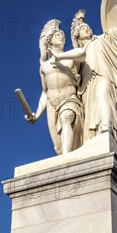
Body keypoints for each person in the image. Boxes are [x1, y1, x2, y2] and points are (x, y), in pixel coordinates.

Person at [49, 0, 117, 176]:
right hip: (86, 91)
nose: (87, 28)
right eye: (82, 29)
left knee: (103, 97)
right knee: (89, 124)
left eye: (87, 27)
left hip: (105, 80)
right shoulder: (78, 62)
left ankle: (106, 132)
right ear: (76, 37)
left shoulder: (104, 39)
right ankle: (96, 139)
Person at [27, 20, 83, 155]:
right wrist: (37, 115)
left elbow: (84, 53)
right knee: (58, 147)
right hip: (52, 105)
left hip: (70, 99)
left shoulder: (71, 57)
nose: (61, 37)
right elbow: (45, 92)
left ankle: (66, 160)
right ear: (49, 41)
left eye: (62, 36)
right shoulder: (44, 66)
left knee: (66, 119)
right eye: (57, 35)